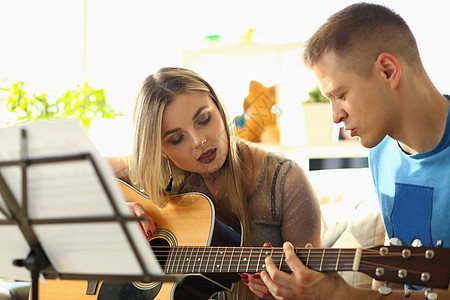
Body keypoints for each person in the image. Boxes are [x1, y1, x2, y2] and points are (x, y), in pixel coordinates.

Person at [258, 3, 450, 299]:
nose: (335, 116)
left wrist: (341, 295)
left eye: (341, 95)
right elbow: (394, 279)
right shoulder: (382, 151)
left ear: (388, 71)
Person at [108, 67, 321, 299]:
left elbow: (317, 287)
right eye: (177, 138)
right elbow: (69, 177)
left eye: (204, 119)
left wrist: (288, 294)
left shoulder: (285, 180)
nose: (199, 141)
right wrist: (113, 213)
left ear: (219, 109)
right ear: (161, 151)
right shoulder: (153, 173)